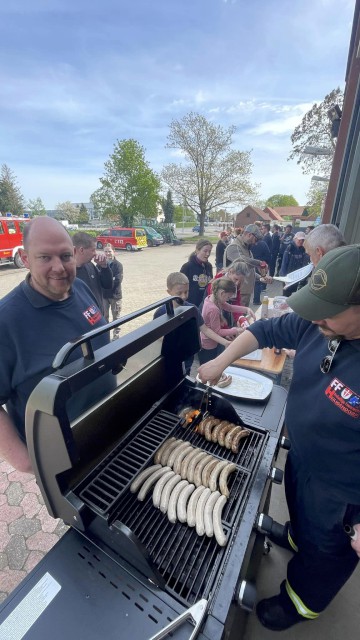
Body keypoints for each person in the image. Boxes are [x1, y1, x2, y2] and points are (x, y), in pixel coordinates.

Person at [198, 244, 360, 632]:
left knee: (326, 554)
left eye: (329, 310)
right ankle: (296, 535)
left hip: (344, 492)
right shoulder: (316, 321)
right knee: (302, 517)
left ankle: (300, 603)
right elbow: (265, 328)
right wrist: (221, 361)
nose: (314, 317)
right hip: (302, 460)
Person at [0, 217, 112, 473]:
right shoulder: (6, 321)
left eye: (64, 256)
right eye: (44, 258)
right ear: (26, 259)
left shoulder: (80, 288)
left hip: (111, 425)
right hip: (63, 455)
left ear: (74, 254)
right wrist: (25, 461)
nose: (59, 268)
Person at [153, 272, 230, 374]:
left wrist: (225, 342)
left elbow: (205, 329)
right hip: (170, 358)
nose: (184, 296)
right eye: (179, 293)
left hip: (188, 358)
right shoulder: (160, 313)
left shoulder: (192, 309)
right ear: (169, 291)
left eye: (186, 291)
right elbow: (157, 337)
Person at [199, 277, 250, 364]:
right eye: (228, 297)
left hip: (211, 340)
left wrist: (246, 309)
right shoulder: (213, 309)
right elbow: (217, 331)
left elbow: (230, 307)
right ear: (222, 293)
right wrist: (236, 330)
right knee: (209, 365)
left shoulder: (212, 298)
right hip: (209, 345)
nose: (228, 299)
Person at [222, 224, 268, 307]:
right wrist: (260, 263)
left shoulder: (247, 249)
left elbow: (248, 270)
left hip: (245, 291)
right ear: (249, 234)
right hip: (235, 292)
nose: (255, 243)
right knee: (237, 317)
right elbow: (243, 261)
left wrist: (261, 278)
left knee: (243, 316)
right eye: (255, 240)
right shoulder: (234, 247)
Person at [72, 232, 113, 315]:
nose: (95, 253)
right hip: (85, 324)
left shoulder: (90, 265)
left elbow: (107, 285)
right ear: (81, 250)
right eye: (93, 250)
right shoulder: (68, 274)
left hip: (99, 318)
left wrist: (104, 266)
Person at [206, 260, 256, 326]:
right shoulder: (217, 282)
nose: (237, 283)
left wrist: (240, 318)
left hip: (223, 309)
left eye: (240, 281)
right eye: (236, 279)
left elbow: (236, 302)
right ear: (230, 271)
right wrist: (225, 328)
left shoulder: (235, 283)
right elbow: (216, 309)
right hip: (212, 314)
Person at [180, 239, 213, 307]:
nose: (208, 254)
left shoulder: (209, 266)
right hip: (191, 305)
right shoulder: (187, 267)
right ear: (197, 250)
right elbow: (180, 287)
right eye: (205, 251)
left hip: (205, 304)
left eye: (209, 251)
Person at [103, 244, 123, 340]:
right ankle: (105, 337)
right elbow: (98, 279)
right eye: (106, 251)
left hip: (115, 296)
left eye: (109, 251)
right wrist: (111, 279)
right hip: (104, 296)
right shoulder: (100, 265)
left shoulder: (118, 265)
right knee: (104, 317)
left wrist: (106, 282)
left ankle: (116, 337)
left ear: (114, 251)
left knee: (116, 318)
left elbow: (118, 280)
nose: (107, 253)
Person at [280, 231, 310, 296]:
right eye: (299, 240)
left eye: (302, 240)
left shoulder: (303, 249)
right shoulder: (290, 248)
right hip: (289, 276)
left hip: (298, 276)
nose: (301, 241)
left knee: (299, 295)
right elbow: (284, 263)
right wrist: (284, 277)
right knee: (286, 295)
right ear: (295, 239)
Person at [251, 234, 271, 305]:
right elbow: (268, 255)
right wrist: (266, 264)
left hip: (250, 265)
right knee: (258, 282)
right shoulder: (263, 244)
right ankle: (256, 300)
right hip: (261, 265)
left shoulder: (250, 244)